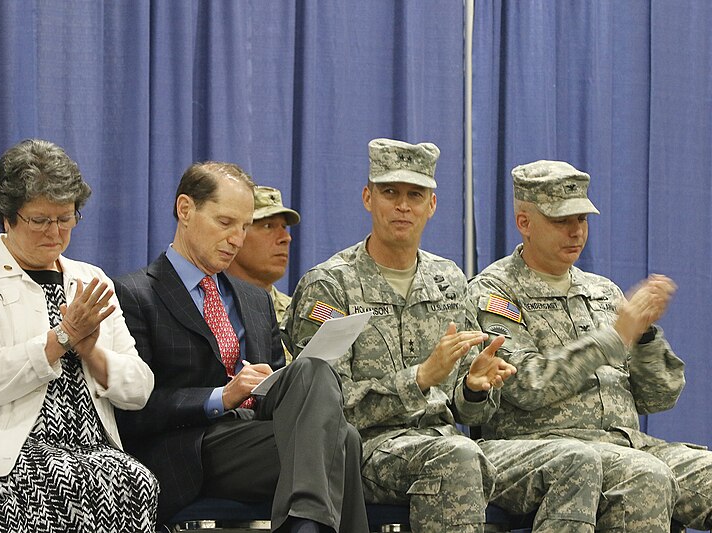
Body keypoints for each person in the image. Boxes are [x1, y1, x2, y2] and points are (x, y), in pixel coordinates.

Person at [284, 139, 603, 533]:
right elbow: (323, 409)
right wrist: (418, 379)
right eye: (390, 193)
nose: (403, 206)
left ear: (431, 206)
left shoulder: (448, 280)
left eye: (415, 195)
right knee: (455, 457)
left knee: (577, 460)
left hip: (453, 445)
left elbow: (471, 414)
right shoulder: (331, 286)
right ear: (368, 198)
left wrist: (474, 388)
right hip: (364, 451)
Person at [113, 161, 369, 533]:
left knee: (320, 388)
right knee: (342, 442)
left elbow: (276, 390)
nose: (237, 237)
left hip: (256, 434)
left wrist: (268, 386)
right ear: (185, 210)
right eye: (225, 223)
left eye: (245, 226)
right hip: (193, 447)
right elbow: (135, 410)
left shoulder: (254, 299)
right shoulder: (135, 294)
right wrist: (221, 396)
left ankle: (306, 524)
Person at [0, 139, 159, 533]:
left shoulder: (91, 280)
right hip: (3, 451)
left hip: (91, 445)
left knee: (136, 480)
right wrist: (62, 337)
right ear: (7, 217)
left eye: (66, 218)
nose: (55, 232)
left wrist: (93, 353)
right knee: (55, 482)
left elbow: (139, 389)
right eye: (40, 220)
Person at [467, 159, 712, 532]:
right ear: (525, 223)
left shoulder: (602, 291)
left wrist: (643, 336)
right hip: (546, 448)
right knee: (644, 477)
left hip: (628, 444)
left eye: (581, 219)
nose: (575, 231)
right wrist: (614, 337)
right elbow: (526, 385)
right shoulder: (494, 292)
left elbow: (658, 398)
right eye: (561, 221)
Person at [227, 185, 300, 363]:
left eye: (284, 226)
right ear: (237, 233)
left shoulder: (296, 311)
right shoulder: (211, 308)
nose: (286, 237)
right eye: (268, 226)